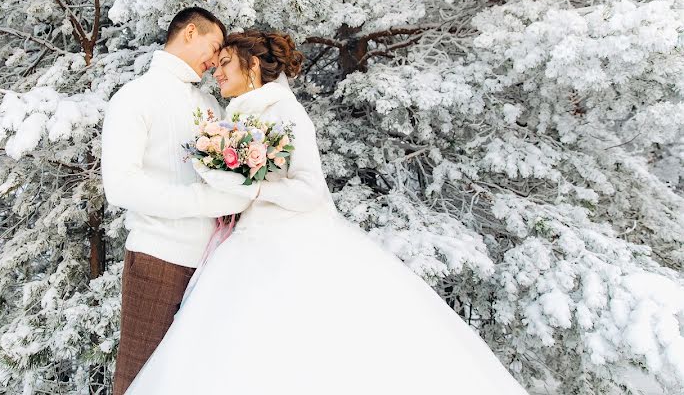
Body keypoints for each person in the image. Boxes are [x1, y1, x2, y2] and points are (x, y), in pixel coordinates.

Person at [124, 30, 530, 395]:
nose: (216, 72)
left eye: (225, 63)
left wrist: (252, 187)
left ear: (251, 65)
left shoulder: (284, 110)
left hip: (288, 242)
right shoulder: (237, 114)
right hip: (245, 241)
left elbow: (309, 188)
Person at [100, 8, 256, 394]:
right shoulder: (134, 97)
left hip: (211, 267)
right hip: (159, 260)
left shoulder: (209, 105)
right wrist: (203, 201)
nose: (216, 61)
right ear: (190, 32)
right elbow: (120, 185)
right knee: (139, 380)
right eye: (214, 47)